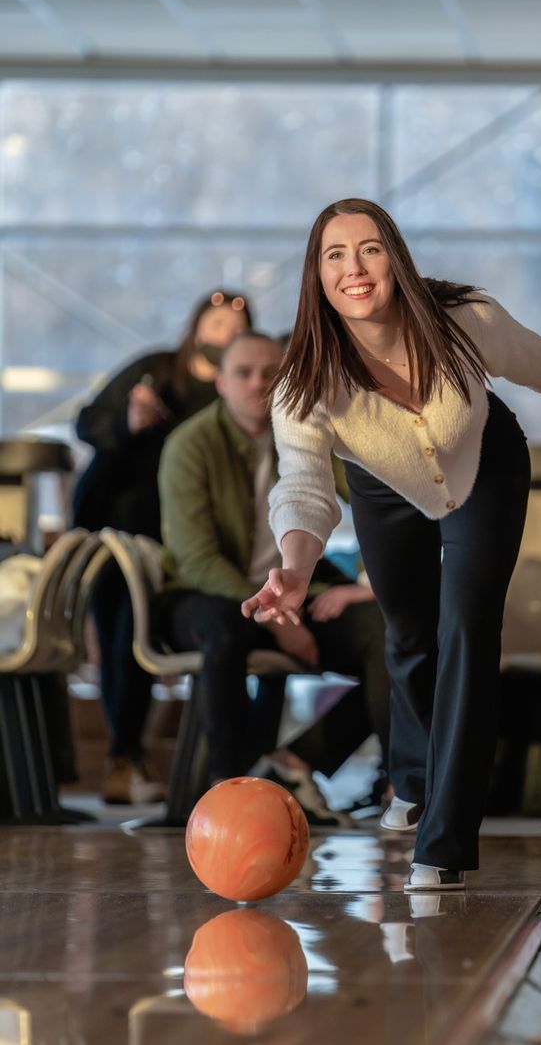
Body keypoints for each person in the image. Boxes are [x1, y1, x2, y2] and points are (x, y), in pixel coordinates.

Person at [241, 197, 541, 891]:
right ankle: (411, 780)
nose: (355, 267)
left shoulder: (465, 321)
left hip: (483, 464)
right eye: (335, 255)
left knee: (467, 624)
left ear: (396, 259)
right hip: (381, 487)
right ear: (316, 278)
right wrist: (294, 566)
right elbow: (304, 489)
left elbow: (533, 357)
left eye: (370, 248)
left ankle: (443, 847)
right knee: (408, 631)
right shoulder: (304, 383)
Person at [154, 330, 390, 817]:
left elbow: (379, 508)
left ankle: (308, 762)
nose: (258, 383)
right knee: (223, 633)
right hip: (207, 594)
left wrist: (367, 585)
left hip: (295, 592)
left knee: (387, 634)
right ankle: (228, 790)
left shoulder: (310, 434)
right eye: (243, 373)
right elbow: (197, 560)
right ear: (220, 382)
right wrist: (275, 618)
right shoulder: (189, 445)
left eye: (271, 372)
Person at [73, 290, 252, 806]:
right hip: (119, 526)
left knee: (167, 633)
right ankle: (123, 755)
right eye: (217, 319)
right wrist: (130, 422)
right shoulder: (154, 370)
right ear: (197, 323)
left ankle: (193, 763)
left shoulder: (233, 393)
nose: (225, 330)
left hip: (184, 539)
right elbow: (88, 423)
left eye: (237, 323)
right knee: (120, 634)